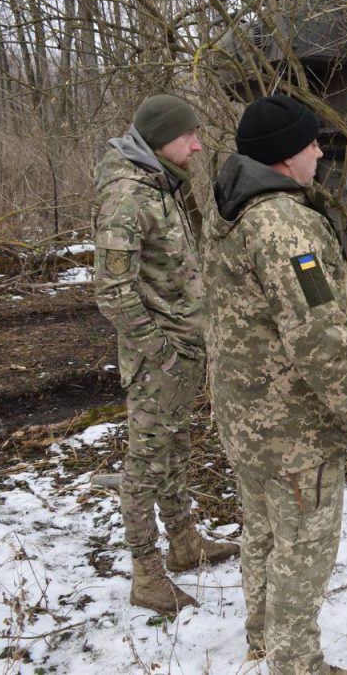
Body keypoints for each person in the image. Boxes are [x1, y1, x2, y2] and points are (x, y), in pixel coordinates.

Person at [203, 94, 347, 675]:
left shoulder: (232, 211)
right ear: (287, 155)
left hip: (246, 422)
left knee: (264, 535)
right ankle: (296, 665)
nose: (320, 151)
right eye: (312, 142)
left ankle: (264, 639)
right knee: (302, 552)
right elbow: (321, 341)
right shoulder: (286, 227)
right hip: (292, 431)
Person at [94, 94, 238, 615]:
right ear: (159, 140)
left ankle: (184, 542)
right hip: (160, 358)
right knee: (145, 465)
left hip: (181, 349)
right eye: (188, 136)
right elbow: (112, 291)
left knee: (175, 451)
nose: (198, 144)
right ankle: (146, 574)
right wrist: (161, 353)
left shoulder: (158, 181)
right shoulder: (128, 197)